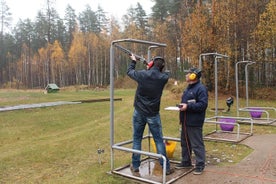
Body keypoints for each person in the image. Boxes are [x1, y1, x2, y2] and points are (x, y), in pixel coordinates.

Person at [127, 54, 174, 175]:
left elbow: (130, 71)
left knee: (137, 139)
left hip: (139, 112)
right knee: (159, 140)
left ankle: (136, 165)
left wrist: (133, 61)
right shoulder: (163, 78)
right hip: (153, 113)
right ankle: (166, 167)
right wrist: (150, 65)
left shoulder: (143, 74)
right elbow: (162, 73)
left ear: (152, 64)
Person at [175, 67, 208, 175]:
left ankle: (200, 165)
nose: (186, 75)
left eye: (188, 74)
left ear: (193, 76)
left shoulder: (201, 89)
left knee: (197, 144)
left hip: (194, 122)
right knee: (185, 144)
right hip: (185, 121)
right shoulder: (188, 88)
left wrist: (188, 106)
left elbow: (203, 105)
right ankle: (186, 162)